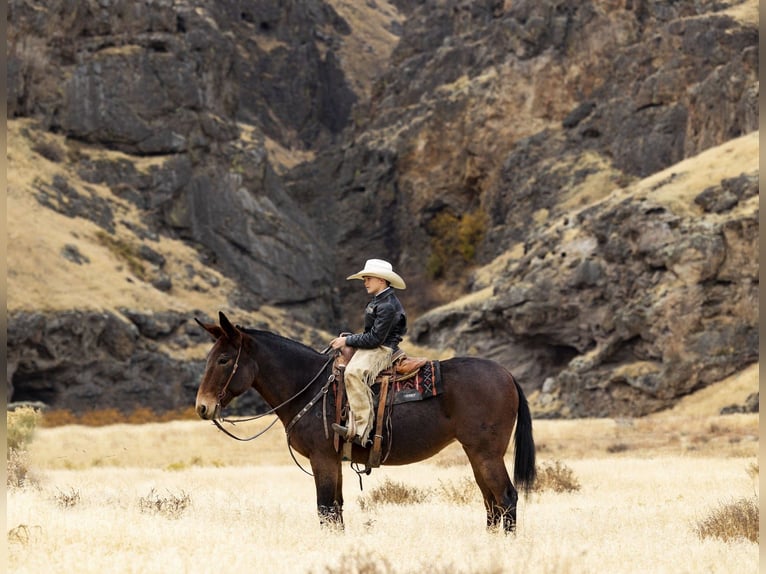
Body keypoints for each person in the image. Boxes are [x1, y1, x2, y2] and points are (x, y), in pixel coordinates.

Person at [330, 258, 407, 447]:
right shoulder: (379, 300)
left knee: (353, 373)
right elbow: (370, 333)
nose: (365, 282)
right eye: (364, 278)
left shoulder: (387, 305)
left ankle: (361, 430)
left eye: (368, 278)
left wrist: (347, 340)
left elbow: (375, 339)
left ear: (381, 280)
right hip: (376, 344)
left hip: (383, 349)